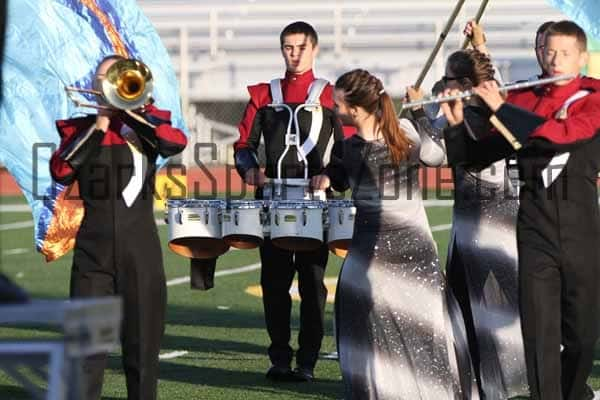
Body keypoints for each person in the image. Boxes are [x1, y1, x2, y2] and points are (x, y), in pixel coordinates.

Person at [441, 20, 600, 400]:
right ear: (537, 52)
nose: (555, 59)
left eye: (564, 52)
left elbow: (562, 135)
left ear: (582, 57)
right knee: (539, 332)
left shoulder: (593, 96)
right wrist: (457, 126)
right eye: (548, 50)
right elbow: (476, 158)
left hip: (582, 226)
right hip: (534, 225)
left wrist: (501, 109)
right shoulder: (524, 98)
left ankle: (574, 391)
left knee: (580, 336)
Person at [311, 68, 463, 399]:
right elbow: (437, 155)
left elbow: (338, 174)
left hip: (383, 253)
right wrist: (421, 111)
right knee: (407, 328)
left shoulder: (354, 147)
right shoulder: (403, 131)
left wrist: (420, 112)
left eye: (337, 104)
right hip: (392, 250)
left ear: (354, 109)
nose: (333, 109)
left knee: (382, 329)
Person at [49, 54, 187, 400]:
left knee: (142, 347)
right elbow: (61, 171)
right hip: (93, 250)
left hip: (139, 247)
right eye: (101, 78)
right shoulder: (80, 130)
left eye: (112, 77)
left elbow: (174, 143)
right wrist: (99, 125)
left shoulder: (147, 125)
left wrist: (127, 113)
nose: (105, 83)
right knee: (87, 349)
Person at [414, 48, 529, 399]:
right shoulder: (494, 104)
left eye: (448, 79)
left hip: (484, 225)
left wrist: (420, 112)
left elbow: (431, 154)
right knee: (491, 308)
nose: (440, 85)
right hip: (486, 220)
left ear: (465, 84)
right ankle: (491, 382)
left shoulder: (469, 115)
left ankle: (492, 384)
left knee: (480, 310)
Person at [233, 21, 344, 382]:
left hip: (315, 202)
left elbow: (346, 151)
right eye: (287, 47)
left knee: (312, 285)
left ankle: (308, 362)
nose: (293, 54)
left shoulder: (329, 95)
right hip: (272, 200)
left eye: (300, 47)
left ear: (314, 49)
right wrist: (250, 171)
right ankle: (279, 357)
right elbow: (243, 147)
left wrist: (331, 176)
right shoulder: (264, 94)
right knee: (274, 282)